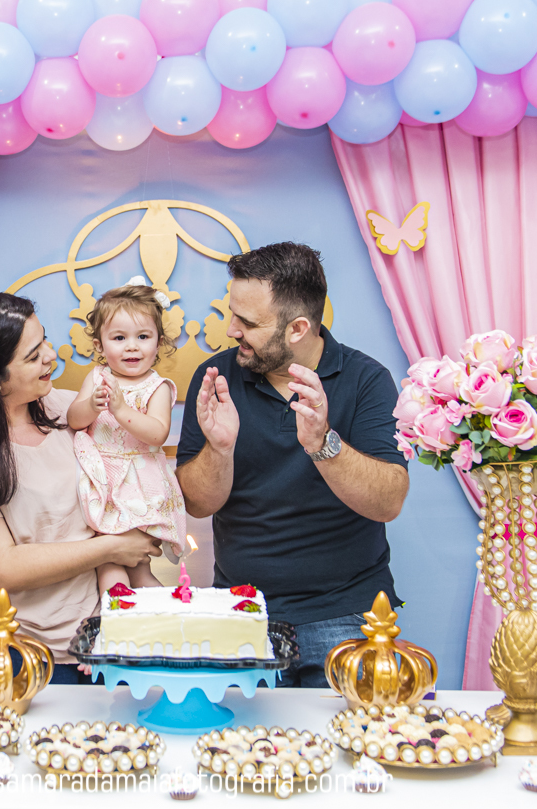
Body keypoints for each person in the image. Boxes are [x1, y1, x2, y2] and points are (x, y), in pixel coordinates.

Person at [176, 242, 410, 688]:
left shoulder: (366, 380)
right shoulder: (217, 378)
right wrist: (220, 448)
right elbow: (198, 504)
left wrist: (322, 443)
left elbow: (388, 502)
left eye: (248, 323)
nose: (231, 330)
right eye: (233, 314)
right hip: (242, 612)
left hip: (349, 614)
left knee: (357, 732)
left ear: (298, 328)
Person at [0, 292, 163, 683]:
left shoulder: (75, 410)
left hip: (110, 641)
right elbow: (1, 568)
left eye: (45, 342)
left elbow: (140, 468)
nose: (51, 357)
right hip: (23, 650)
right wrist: (111, 548)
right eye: (33, 355)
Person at [67, 279, 188, 595]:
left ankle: (159, 613)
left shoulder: (157, 387)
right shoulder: (97, 378)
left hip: (138, 484)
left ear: (158, 343)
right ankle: (118, 613)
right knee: (106, 561)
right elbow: (74, 420)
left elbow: (157, 434)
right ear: (100, 346)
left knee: (137, 566)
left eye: (143, 337)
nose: (132, 346)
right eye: (119, 338)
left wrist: (121, 409)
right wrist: (91, 406)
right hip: (102, 481)